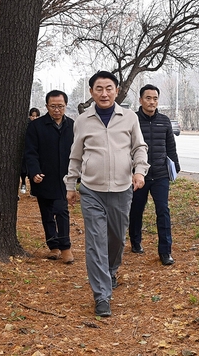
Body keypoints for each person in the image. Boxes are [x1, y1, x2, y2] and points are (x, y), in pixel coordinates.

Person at [64, 71, 149, 317]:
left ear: (116, 90)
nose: (104, 93)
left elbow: (139, 148)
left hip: (122, 190)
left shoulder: (129, 117)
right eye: (99, 88)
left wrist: (139, 171)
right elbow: (76, 155)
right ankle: (102, 295)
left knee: (116, 240)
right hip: (91, 190)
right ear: (91, 92)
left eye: (109, 88)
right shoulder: (82, 120)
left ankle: (111, 270)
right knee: (95, 242)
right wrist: (71, 184)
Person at [128, 84, 181, 266]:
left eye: (155, 98)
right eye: (148, 98)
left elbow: (170, 147)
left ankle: (165, 251)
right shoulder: (132, 120)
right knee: (136, 209)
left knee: (163, 211)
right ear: (141, 100)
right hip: (138, 175)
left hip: (160, 175)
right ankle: (135, 241)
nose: (152, 102)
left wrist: (175, 167)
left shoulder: (164, 121)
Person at [24, 93, 74, 263]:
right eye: (53, 106)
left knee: (61, 210)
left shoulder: (73, 126)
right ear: (46, 106)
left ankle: (65, 247)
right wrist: (34, 172)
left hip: (64, 178)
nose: (57, 110)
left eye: (60, 106)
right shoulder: (36, 126)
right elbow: (30, 152)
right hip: (43, 177)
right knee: (46, 214)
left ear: (66, 106)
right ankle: (53, 246)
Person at [20, 107, 41, 194]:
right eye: (32, 116)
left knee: (34, 170)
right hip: (26, 150)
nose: (34, 118)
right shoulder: (26, 125)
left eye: (36, 116)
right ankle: (23, 183)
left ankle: (33, 189)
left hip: (37, 151)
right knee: (24, 169)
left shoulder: (41, 125)